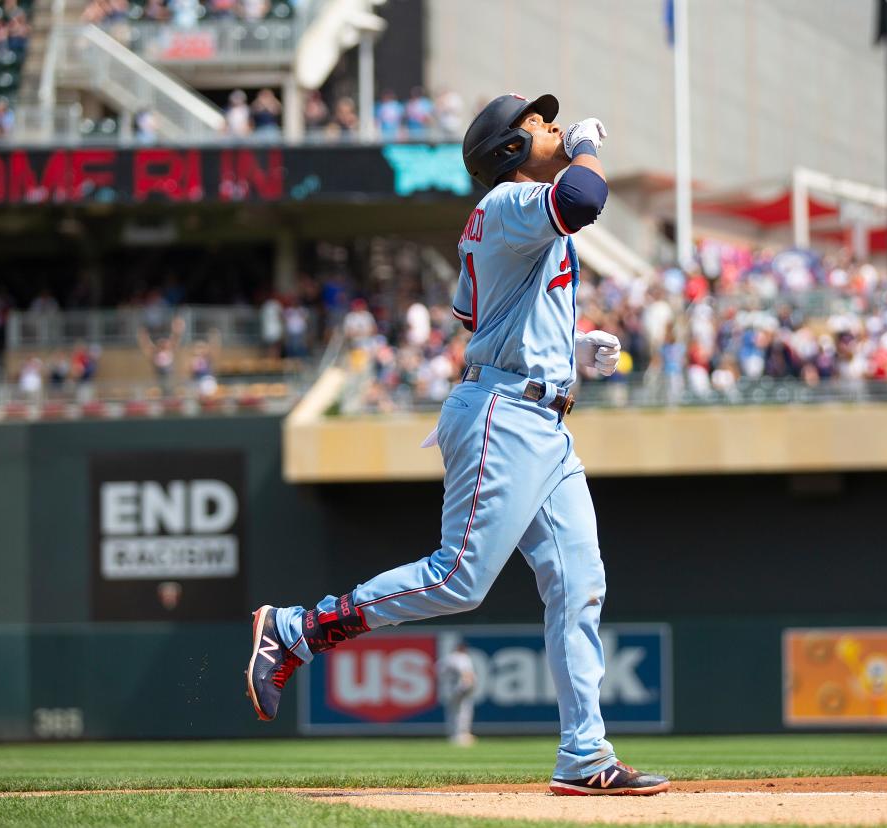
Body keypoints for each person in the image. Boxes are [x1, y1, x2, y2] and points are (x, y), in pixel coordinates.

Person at [245, 93, 669, 797]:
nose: (554, 126)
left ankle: (585, 756)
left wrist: (569, 343)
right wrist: (588, 148)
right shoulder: (510, 203)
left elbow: (485, 312)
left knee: (579, 583)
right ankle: (296, 628)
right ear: (509, 149)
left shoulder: (511, 214)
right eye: (536, 123)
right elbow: (585, 198)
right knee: (459, 578)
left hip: (542, 417)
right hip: (505, 412)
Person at [437, 642, 477, 746]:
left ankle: (453, 736)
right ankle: (461, 736)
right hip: (460, 687)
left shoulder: (447, 658)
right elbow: (466, 672)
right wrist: (469, 685)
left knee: (452, 713)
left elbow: (437, 672)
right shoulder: (462, 657)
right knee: (463, 711)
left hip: (447, 689)